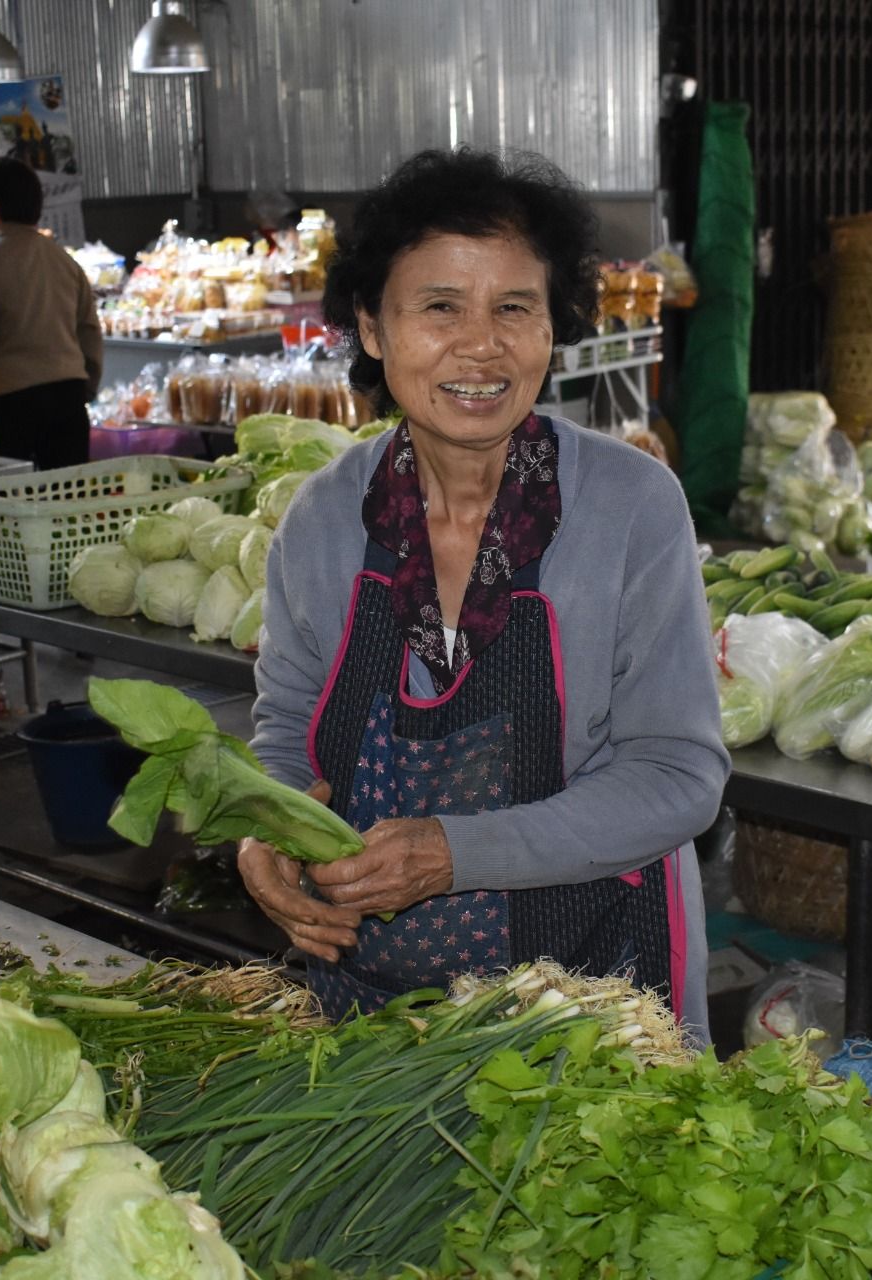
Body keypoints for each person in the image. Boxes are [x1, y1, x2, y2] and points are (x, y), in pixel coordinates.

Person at [239, 148, 727, 1040]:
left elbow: (679, 776)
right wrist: (263, 832)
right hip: (376, 1012)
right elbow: (287, 728)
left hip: (596, 999)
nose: (482, 345)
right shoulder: (323, 521)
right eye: (439, 307)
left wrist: (455, 854)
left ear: (553, 327)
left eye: (515, 307)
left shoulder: (631, 508)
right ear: (374, 329)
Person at [0, 156, 102, 470]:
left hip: (9, 410)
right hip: (69, 405)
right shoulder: (65, 261)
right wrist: (84, 388)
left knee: (15, 511)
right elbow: (90, 331)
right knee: (68, 509)